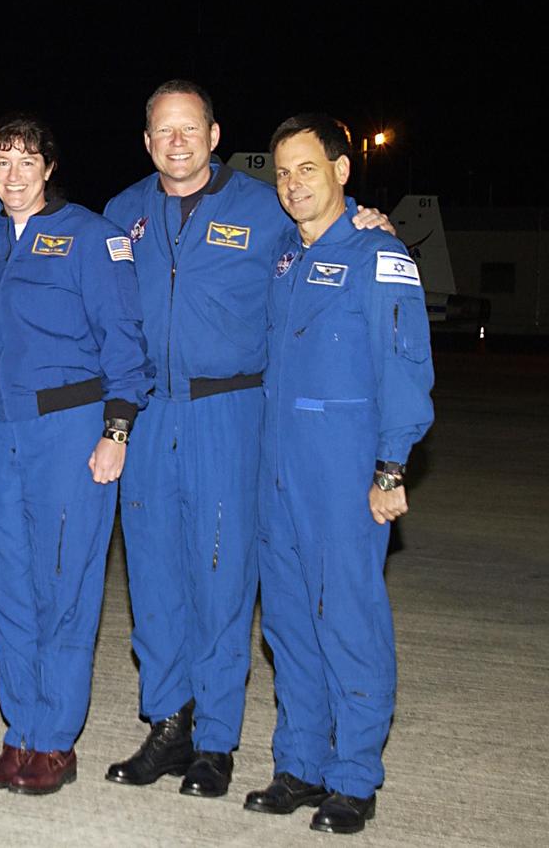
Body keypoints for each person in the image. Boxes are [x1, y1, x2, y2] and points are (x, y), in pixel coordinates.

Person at [102, 81, 390, 797]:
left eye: (189, 128)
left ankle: (217, 741)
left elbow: (331, 239)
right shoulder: (121, 214)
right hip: (150, 413)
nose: (176, 141)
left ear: (214, 133)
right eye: (162, 130)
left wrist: (370, 220)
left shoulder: (264, 210)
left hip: (230, 414)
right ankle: (169, 721)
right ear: (146, 140)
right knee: (155, 576)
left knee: (222, 576)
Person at [250, 114, 433, 835]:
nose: (294, 184)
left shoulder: (378, 255)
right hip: (278, 467)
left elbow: (406, 368)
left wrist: (391, 467)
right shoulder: (284, 260)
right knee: (291, 624)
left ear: (342, 171)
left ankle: (355, 775)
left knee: (348, 620)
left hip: (343, 466)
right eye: (284, 173)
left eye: (308, 169)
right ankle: (300, 763)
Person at [0, 117, 152, 795]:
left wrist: (117, 429)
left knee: (62, 583)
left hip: (68, 430)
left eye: (26, 161)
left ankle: (55, 740)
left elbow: (125, 341)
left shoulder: (91, 237)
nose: (11, 173)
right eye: (1, 160)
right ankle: (20, 731)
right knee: (1, 586)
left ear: (48, 168)